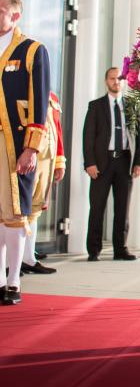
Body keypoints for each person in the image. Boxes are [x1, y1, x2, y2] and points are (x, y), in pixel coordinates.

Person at [0, 0, 51, 305]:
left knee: (15, 214)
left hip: (15, 144)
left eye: (1, 9)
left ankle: (14, 281)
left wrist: (31, 148)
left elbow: (39, 102)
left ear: (15, 16)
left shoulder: (32, 50)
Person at [83, 67, 140, 261]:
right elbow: (88, 137)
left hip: (125, 162)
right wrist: (89, 163)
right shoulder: (96, 106)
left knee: (122, 208)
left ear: (124, 81)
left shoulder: (132, 105)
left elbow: (139, 136)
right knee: (97, 207)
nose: (116, 81)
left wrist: (139, 161)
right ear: (106, 81)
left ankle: (120, 249)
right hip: (102, 163)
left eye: (119, 78)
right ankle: (94, 250)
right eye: (112, 78)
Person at [22, 91, 66, 274]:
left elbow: (57, 129)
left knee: (35, 210)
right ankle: (10, 263)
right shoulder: (23, 88)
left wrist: (59, 161)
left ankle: (28, 258)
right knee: (18, 211)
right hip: (29, 158)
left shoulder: (53, 97)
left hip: (47, 160)